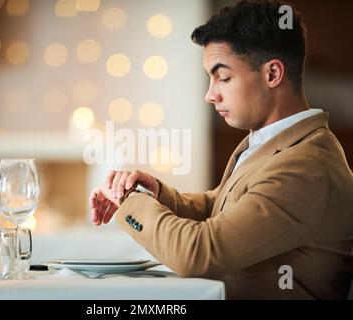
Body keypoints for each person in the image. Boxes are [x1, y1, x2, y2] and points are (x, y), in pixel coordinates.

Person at [89, 0, 353, 299]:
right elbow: (222, 206)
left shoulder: (306, 166)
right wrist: (160, 196)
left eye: (223, 77)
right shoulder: (272, 143)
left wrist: (129, 201)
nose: (210, 95)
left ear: (272, 74)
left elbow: (198, 253)